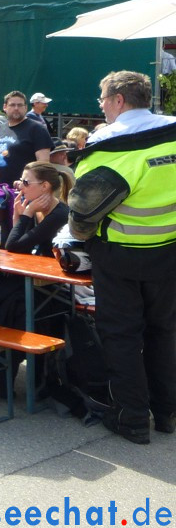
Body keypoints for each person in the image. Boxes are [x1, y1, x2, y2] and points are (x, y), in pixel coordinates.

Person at [69, 70, 176, 444]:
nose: (101, 108)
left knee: (122, 335)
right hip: (169, 252)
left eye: (102, 101)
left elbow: (81, 219)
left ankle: (131, 418)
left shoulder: (109, 148)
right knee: (165, 331)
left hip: (120, 256)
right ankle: (166, 412)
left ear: (117, 100)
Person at [5, 161, 72, 258]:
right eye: (21, 181)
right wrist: (17, 216)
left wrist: (27, 214)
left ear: (44, 186)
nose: (20, 186)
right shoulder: (35, 208)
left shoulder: (59, 215)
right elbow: (21, 246)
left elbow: (12, 245)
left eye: (26, 182)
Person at [0, 90, 53, 185]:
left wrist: (29, 184)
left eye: (20, 105)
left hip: (23, 191)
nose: (16, 108)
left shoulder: (37, 129)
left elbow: (44, 165)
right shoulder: (1, 128)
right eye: (12, 105)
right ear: (5, 107)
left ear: (25, 108)